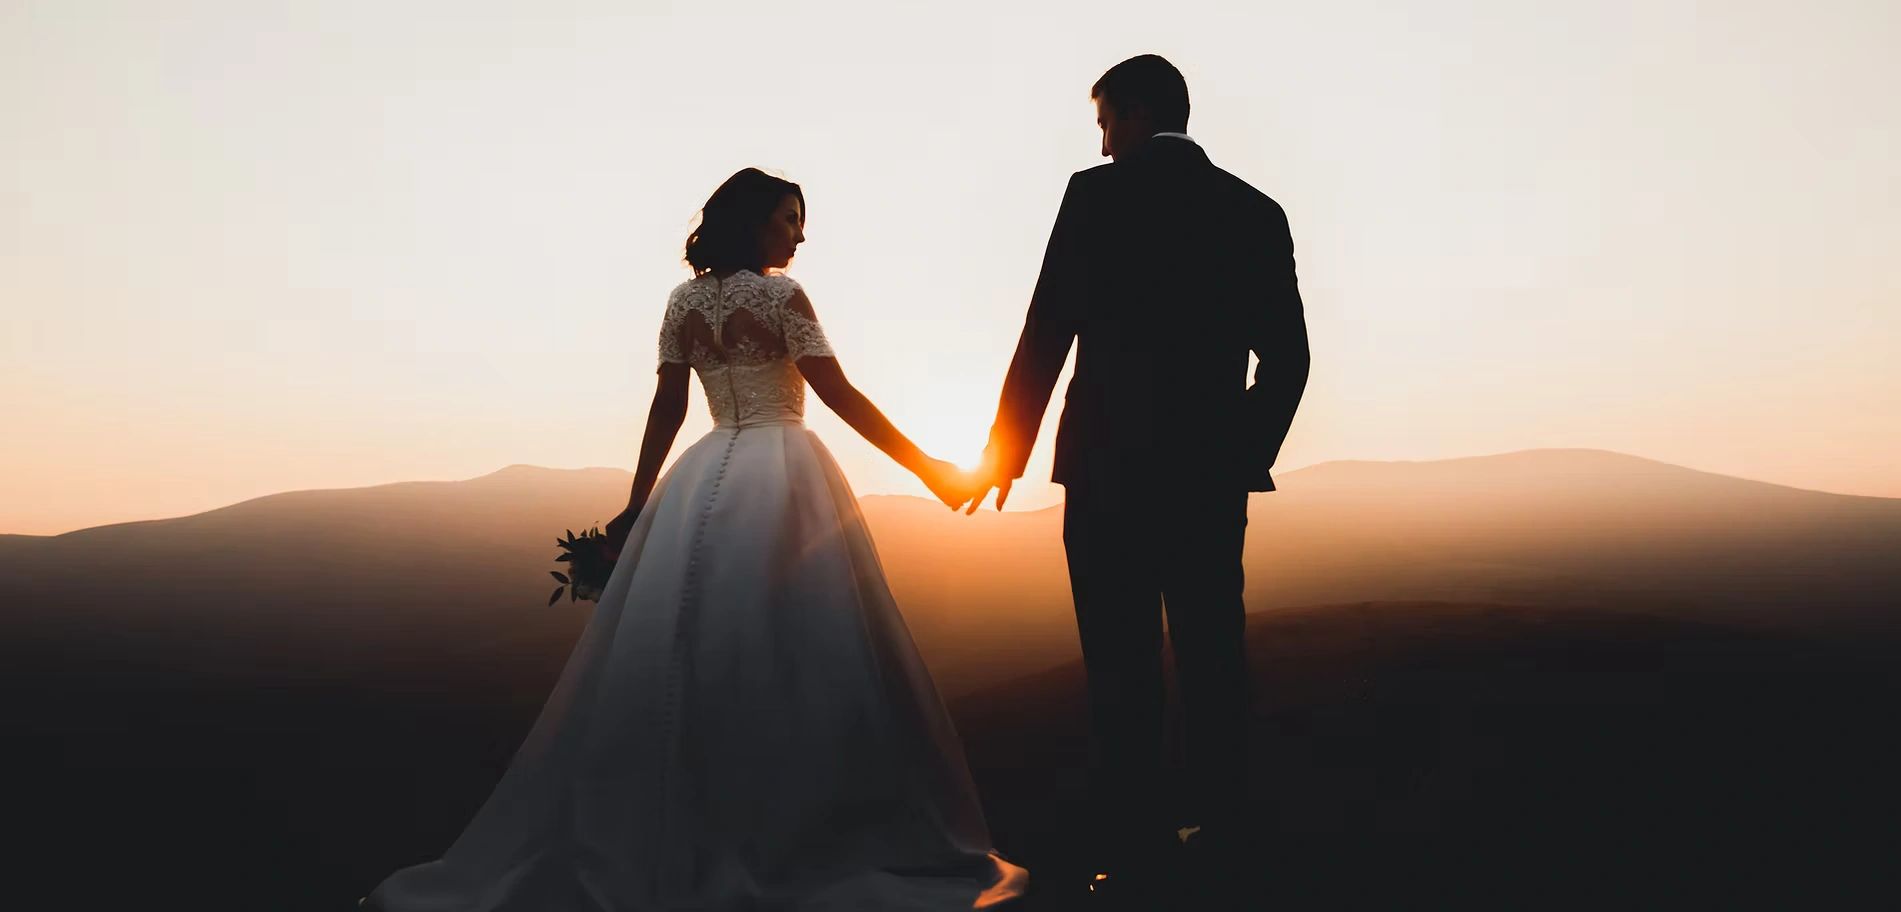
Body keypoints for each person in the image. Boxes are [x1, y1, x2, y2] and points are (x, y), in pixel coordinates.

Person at [363, 168, 1027, 911]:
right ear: (753, 221)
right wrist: (933, 470)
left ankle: (680, 826)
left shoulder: (681, 301)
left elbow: (667, 407)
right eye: (787, 218)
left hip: (701, 476)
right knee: (796, 657)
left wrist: (635, 506)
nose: (799, 234)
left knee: (688, 651)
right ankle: (787, 829)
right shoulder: (781, 296)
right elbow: (836, 394)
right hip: (783, 473)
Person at [966, 54, 1311, 906]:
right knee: (1210, 653)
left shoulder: (1095, 197)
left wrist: (1003, 453)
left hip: (1106, 471)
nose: (1102, 141)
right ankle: (1225, 836)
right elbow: (1290, 360)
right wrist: (1240, 450)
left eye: (1103, 123)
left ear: (1132, 113)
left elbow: (1045, 327)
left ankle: (1138, 853)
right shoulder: (1254, 211)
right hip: (1206, 479)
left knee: (1120, 666)